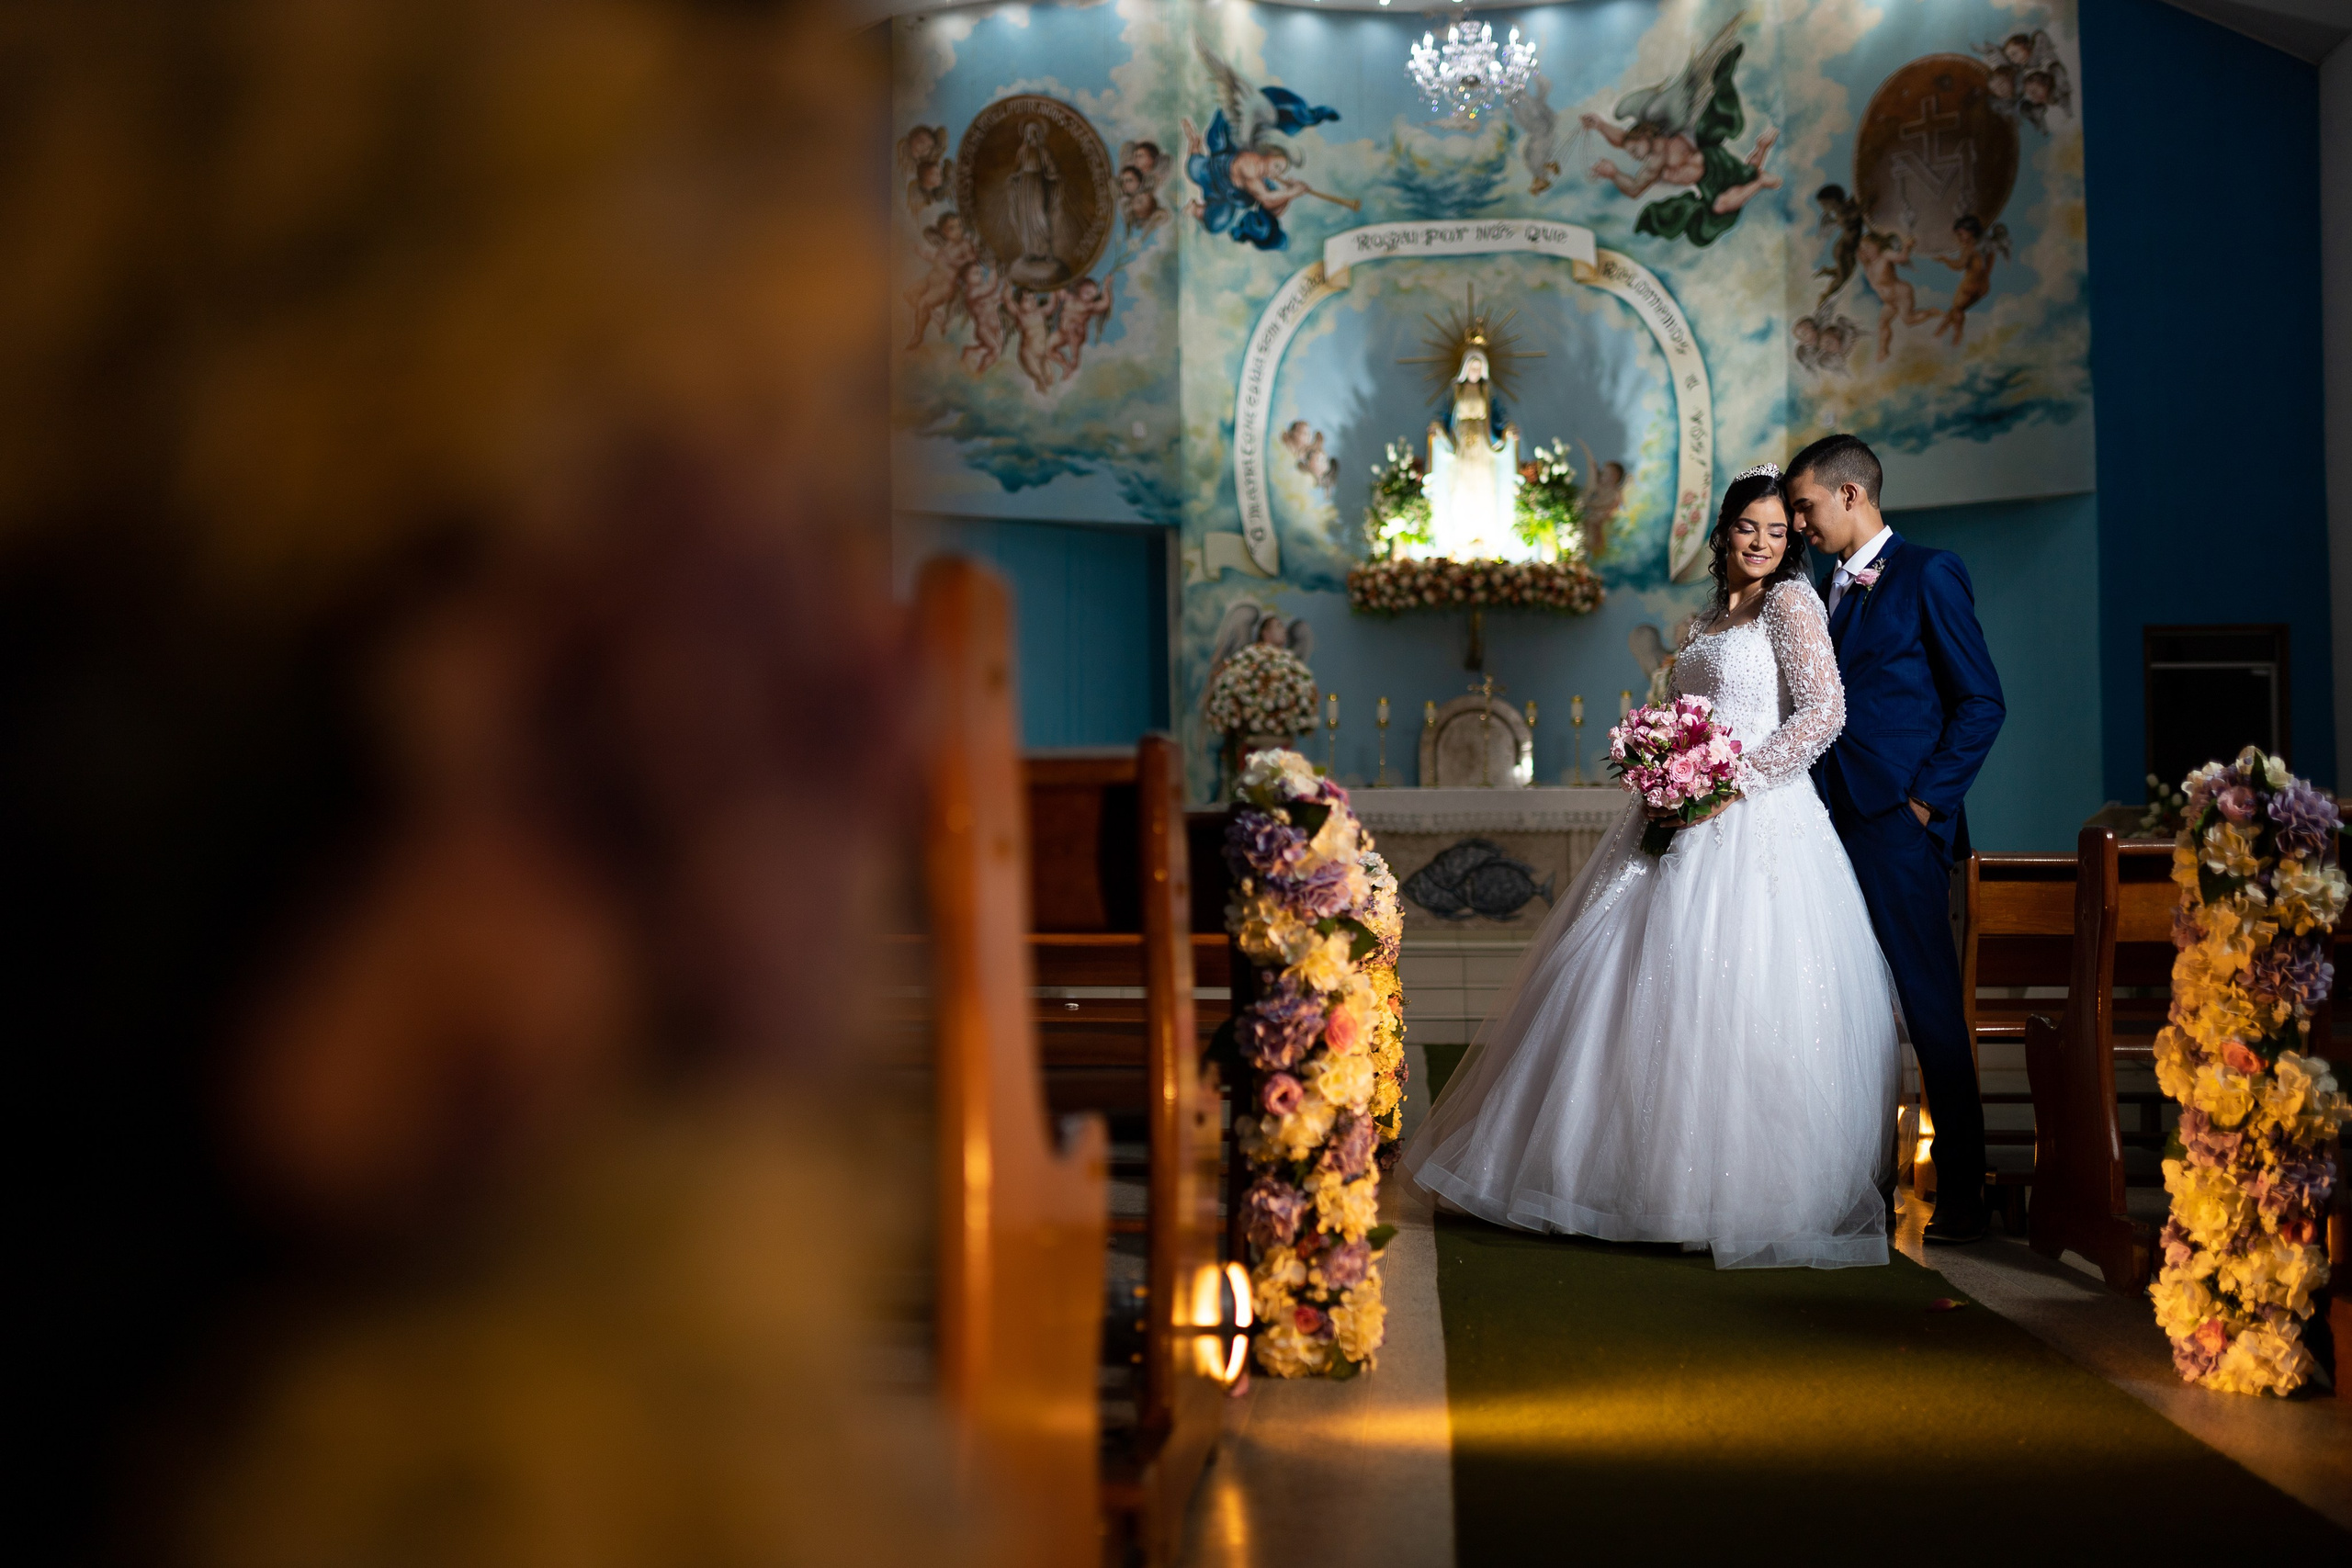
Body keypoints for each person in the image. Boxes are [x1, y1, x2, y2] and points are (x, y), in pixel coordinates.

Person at [1401, 464, 1902, 1269]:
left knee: (1730, 988)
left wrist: (1731, 782)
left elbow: (1823, 713)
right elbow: (1685, 714)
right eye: (1749, 528)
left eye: (1779, 531)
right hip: (1675, 811)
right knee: (1621, 975)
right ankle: (1611, 1178)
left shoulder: (1790, 604)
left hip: (1759, 818)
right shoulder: (1704, 620)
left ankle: (1729, 1192)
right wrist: (1662, 761)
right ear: (1723, 532)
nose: (1763, 543)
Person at [1786, 434, 2006, 1244]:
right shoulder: (1819, 590)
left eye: (1805, 506)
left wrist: (1921, 806)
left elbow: (1981, 702)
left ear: (1850, 494)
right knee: (1845, 1006)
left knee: (1928, 1007)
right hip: (1824, 826)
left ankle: (1965, 1195)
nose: (1799, 524)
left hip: (1897, 827)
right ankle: (1860, 1191)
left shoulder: (1929, 572)